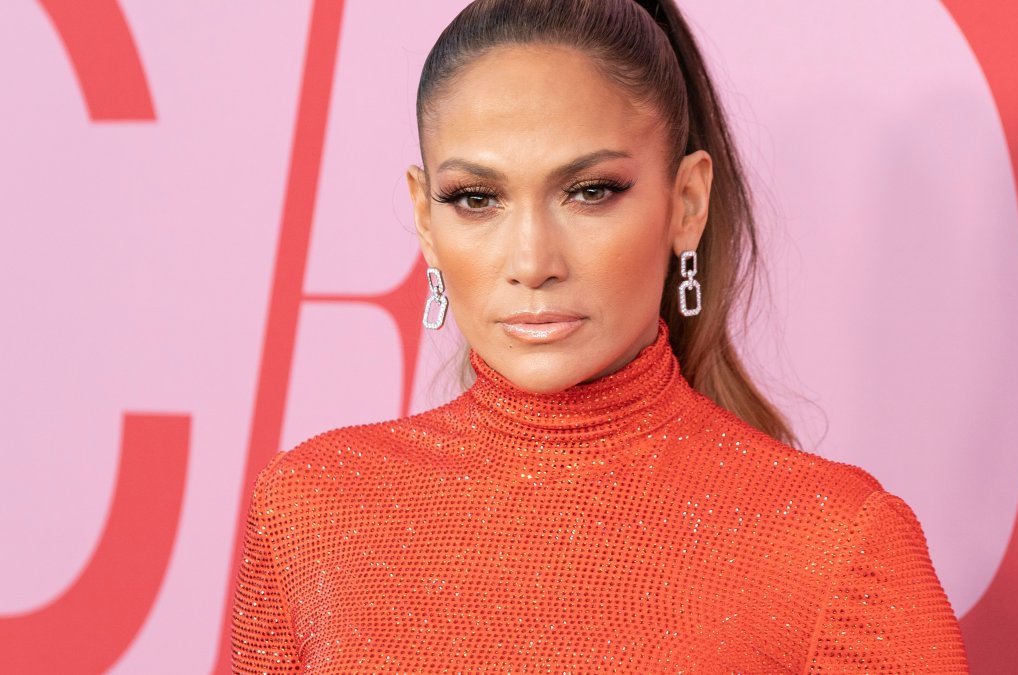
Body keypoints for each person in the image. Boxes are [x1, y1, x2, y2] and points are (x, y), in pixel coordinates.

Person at [231, 0, 969, 672]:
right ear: (427, 220)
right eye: (476, 199)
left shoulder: (838, 549)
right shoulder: (311, 512)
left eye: (589, 192)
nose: (531, 262)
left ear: (686, 202)